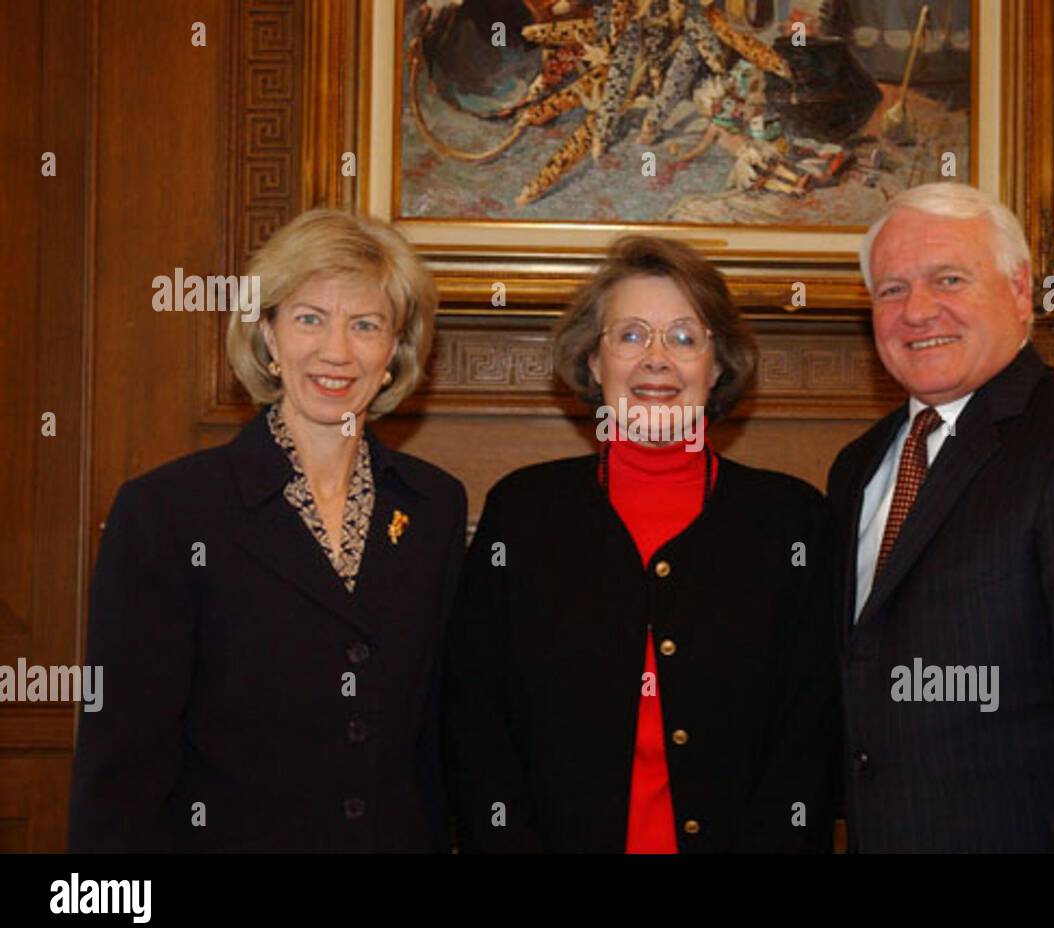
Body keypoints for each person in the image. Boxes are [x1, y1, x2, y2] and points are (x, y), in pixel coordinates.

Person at [68, 209, 467, 852]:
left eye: (365, 325)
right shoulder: (168, 512)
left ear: (395, 351)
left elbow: (437, 737)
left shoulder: (433, 507)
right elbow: (119, 769)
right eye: (309, 318)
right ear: (268, 335)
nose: (336, 351)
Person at [828, 183, 1054, 852]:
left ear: (1019, 290)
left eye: (948, 278)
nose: (917, 310)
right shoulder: (859, 466)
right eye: (890, 290)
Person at [445, 235, 837, 853]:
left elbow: (810, 739)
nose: (656, 360)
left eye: (684, 338)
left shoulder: (792, 522)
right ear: (594, 364)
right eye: (629, 336)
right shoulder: (523, 513)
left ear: (719, 366)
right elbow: (477, 723)